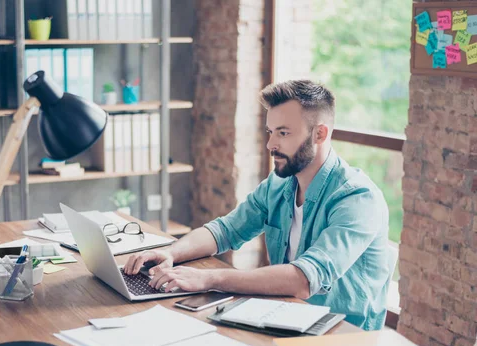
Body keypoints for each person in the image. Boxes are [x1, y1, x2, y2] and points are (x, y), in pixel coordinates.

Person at [124, 80, 390, 330]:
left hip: (342, 338)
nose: (270, 144)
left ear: (320, 134)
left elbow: (304, 280)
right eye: (270, 132)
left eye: (283, 133)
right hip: (284, 316)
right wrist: (172, 252)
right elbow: (226, 230)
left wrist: (209, 279)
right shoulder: (279, 183)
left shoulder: (357, 198)